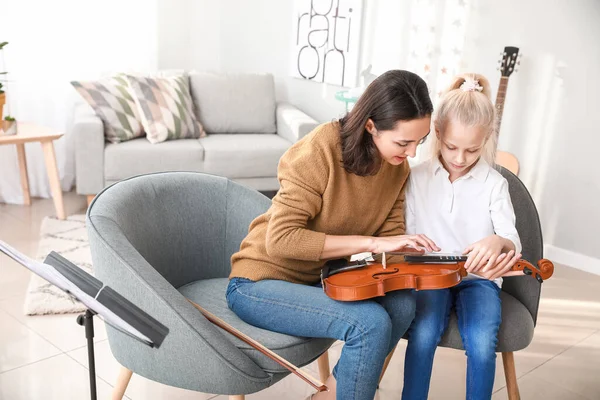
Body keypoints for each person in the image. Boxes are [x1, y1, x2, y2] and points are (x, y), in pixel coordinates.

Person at [226, 70, 438, 400]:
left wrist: (433, 262)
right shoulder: (321, 149)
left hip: (317, 281)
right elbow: (281, 239)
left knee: (401, 304)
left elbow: (391, 241)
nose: (411, 153)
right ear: (371, 126)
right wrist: (370, 243)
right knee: (369, 324)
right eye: (403, 142)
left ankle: (335, 392)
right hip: (259, 282)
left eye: (418, 142)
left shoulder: (396, 167)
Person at [401, 73, 523, 400]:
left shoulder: (494, 184)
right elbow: (406, 232)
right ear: (437, 132)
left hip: (478, 277)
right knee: (423, 335)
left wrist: (500, 242)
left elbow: (511, 240)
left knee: (483, 343)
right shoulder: (417, 177)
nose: (459, 158)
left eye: (471, 150)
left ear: (486, 141)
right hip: (431, 274)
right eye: (452, 146)